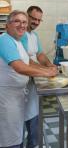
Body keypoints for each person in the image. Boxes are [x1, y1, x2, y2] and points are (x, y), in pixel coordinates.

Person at [0, 10, 57, 148]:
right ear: (7, 25)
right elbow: (20, 67)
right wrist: (46, 74)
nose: (22, 25)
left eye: (24, 22)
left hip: (17, 96)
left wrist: (47, 69)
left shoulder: (17, 41)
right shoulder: (4, 40)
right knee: (10, 139)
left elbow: (28, 62)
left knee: (16, 135)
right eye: (17, 21)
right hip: (7, 97)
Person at [21, 6, 57, 148]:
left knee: (32, 113)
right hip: (20, 82)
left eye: (38, 20)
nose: (36, 22)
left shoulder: (34, 36)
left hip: (31, 81)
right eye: (33, 18)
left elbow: (40, 54)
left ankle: (32, 142)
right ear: (27, 16)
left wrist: (50, 65)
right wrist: (45, 71)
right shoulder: (20, 34)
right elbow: (25, 60)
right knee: (21, 119)